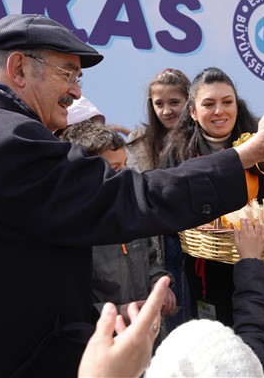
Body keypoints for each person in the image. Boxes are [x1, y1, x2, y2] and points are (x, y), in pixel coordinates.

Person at [0, 13, 264, 377]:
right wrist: (245, 156)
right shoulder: (3, 138)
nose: (75, 92)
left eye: (79, 79)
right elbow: (125, 197)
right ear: (19, 68)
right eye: (68, 74)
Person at [160, 66, 264, 377]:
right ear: (193, 112)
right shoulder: (179, 154)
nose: (219, 111)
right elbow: (166, 209)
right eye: (208, 104)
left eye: (227, 101)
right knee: (224, 357)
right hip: (211, 276)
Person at [80, 218, 264, 378]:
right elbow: (258, 334)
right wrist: (252, 263)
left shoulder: (126, 216)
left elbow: (149, 258)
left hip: (125, 347)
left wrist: (156, 280)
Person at [58, 119, 176, 322]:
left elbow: (150, 260)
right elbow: (66, 304)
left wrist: (160, 283)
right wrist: (119, 312)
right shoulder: (73, 231)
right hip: (103, 340)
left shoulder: (132, 213)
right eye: (113, 168)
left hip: (147, 333)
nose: (125, 174)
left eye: (125, 165)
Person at [126, 68, 192, 331]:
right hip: (156, 244)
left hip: (193, 242)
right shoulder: (138, 144)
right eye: (159, 104)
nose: (166, 111)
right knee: (167, 316)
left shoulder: (198, 139)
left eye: (174, 102)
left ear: (189, 101)